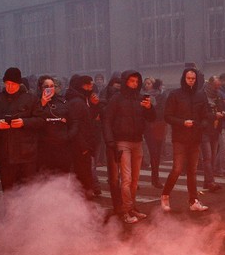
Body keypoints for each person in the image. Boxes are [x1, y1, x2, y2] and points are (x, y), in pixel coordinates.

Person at [102, 70, 154, 223]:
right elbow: (107, 120)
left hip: (137, 140)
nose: (134, 84)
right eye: (131, 81)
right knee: (126, 178)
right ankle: (125, 210)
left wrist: (149, 108)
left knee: (135, 180)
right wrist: (111, 141)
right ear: (125, 82)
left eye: (137, 81)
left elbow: (151, 118)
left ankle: (131, 207)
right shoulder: (117, 99)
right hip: (122, 141)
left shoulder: (140, 98)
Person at [160, 68, 209, 213]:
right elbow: (167, 115)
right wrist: (182, 122)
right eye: (188, 78)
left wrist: (203, 124)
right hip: (180, 137)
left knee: (192, 171)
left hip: (195, 137)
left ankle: (193, 200)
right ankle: (165, 195)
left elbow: (205, 114)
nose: (191, 81)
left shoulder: (201, 95)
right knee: (177, 169)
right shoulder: (175, 94)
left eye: (193, 78)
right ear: (184, 78)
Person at [0, 67, 41, 191]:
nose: (10, 87)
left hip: (27, 154)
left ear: (19, 84)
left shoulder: (30, 99)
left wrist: (24, 122)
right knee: (9, 190)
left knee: (28, 190)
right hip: (6, 155)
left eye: (13, 84)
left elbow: (40, 121)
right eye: (7, 84)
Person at [65, 74, 100, 200]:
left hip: (85, 144)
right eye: (87, 85)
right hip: (81, 147)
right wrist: (84, 146)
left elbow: (88, 119)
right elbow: (76, 126)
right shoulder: (76, 102)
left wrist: (94, 106)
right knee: (83, 177)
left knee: (85, 176)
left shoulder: (82, 100)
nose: (90, 87)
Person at [35, 75, 71, 176]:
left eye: (52, 86)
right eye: (46, 86)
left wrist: (67, 136)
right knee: (45, 179)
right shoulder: (34, 103)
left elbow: (71, 122)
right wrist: (42, 104)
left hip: (61, 148)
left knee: (62, 178)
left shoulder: (62, 102)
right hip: (43, 149)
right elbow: (34, 121)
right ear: (40, 88)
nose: (49, 89)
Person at [201, 76, 225, 192]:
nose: (218, 88)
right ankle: (210, 182)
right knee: (207, 157)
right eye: (216, 86)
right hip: (205, 129)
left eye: (219, 86)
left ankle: (208, 181)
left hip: (216, 129)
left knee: (212, 157)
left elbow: (222, 107)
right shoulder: (202, 95)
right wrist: (214, 115)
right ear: (211, 84)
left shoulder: (218, 95)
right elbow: (201, 113)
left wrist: (223, 113)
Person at [142, 78, 167, 188]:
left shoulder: (161, 96)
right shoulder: (142, 96)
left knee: (157, 152)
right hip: (147, 126)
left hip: (159, 125)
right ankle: (155, 178)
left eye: (150, 83)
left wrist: (153, 108)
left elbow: (163, 111)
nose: (147, 85)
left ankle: (155, 177)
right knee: (153, 151)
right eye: (146, 83)